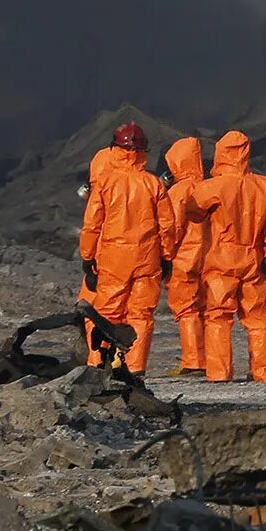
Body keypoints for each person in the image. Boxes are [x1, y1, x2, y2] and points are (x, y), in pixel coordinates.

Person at [80, 121, 176, 373]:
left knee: (107, 312)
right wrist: (166, 257)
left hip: (114, 258)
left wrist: (88, 257)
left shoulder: (105, 183)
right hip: (147, 258)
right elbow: (167, 225)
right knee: (141, 315)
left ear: (115, 148)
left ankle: (98, 364)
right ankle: (134, 369)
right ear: (144, 151)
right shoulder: (154, 184)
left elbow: (92, 224)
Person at [185, 129, 266, 383]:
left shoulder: (213, 186)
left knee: (218, 316)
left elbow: (192, 211)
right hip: (254, 258)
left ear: (221, 154)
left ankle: (219, 373)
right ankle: (264, 370)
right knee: (257, 316)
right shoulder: (265, 185)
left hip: (222, 258)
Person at [162, 136, 210, 378]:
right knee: (206, 310)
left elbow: (173, 228)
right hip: (210, 257)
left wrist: (165, 256)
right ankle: (212, 361)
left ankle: (193, 362)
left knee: (186, 310)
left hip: (184, 257)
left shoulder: (178, 192)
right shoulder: (209, 187)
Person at [73, 144, 119, 315]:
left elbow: (91, 227)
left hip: (102, 249)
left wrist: (87, 257)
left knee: (93, 300)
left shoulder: (101, 162)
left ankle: (88, 331)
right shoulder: (145, 184)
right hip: (124, 252)